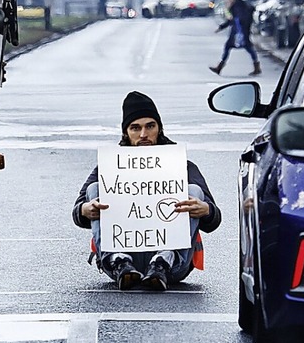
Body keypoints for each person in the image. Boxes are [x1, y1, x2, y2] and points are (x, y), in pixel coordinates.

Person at [72, 91, 222, 292]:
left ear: (159, 129)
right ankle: (119, 261)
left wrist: (205, 210)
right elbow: (77, 213)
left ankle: (161, 262)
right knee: (95, 189)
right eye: (136, 128)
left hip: (172, 268)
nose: (143, 135)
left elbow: (214, 220)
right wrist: (85, 210)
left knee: (193, 190)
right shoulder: (108, 166)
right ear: (126, 132)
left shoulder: (182, 166)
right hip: (120, 267)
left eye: (149, 126)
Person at [210, 0, 261, 76]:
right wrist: (221, 27)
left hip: (240, 32)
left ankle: (219, 67)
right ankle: (256, 66)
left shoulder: (238, 6)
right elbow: (232, 20)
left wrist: (237, 26)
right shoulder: (236, 6)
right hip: (239, 32)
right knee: (246, 48)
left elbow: (237, 19)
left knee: (240, 47)